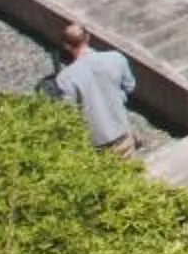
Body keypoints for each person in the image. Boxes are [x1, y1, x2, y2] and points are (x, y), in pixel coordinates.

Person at [51, 23, 140, 157]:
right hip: (122, 132)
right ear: (88, 37)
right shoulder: (116, 58)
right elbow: (130, 86)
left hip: (96, 145)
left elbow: (68, 112)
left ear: (66, 46)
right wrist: (116, 97)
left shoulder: (65, 78)